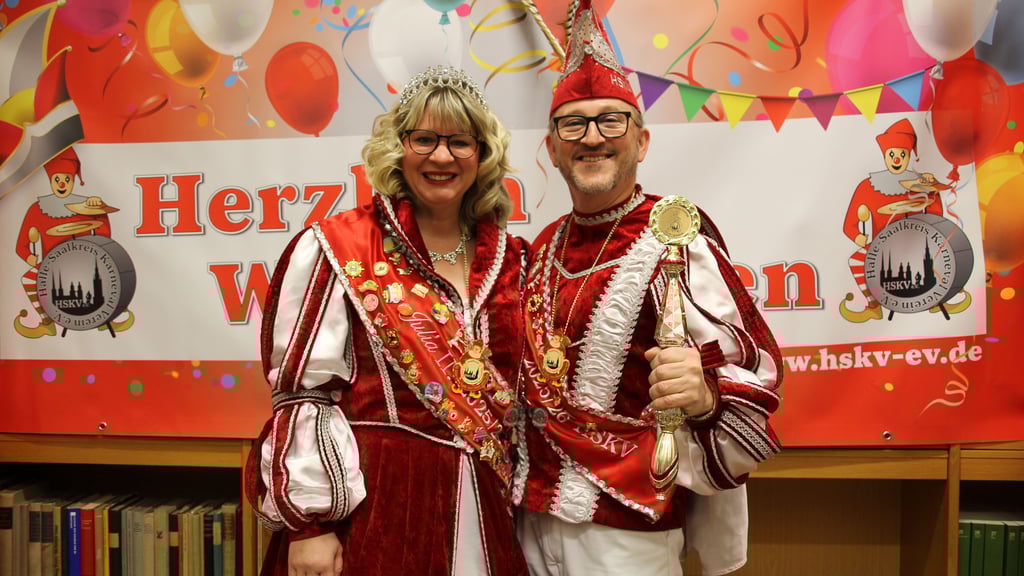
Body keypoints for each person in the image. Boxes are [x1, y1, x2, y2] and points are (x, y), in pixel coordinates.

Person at [516, 2, 783, 575]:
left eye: (611, 121)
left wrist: (705, 392)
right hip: (530, 520)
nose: (592, 137)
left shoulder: (676, 240)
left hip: (628, 531)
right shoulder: (540, 248)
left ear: (641, 142)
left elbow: (755, 366)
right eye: (573, 124)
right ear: (553, 148)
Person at [246, 65, 530, 576]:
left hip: (491, 503)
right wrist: (311, 528)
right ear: (398, 148)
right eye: (424, 139)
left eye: (460, 142)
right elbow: (304, 394)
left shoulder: (515, 259)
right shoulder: (339, 247)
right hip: (380, 510)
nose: (441, 157)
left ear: (482, 154)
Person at [840, 118, 957, 323]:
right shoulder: (868, 186)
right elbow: (850, 223)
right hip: (882, 249)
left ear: (909, 156)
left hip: (915, 244)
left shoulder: (920, 183)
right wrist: (858, 236)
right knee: (856, 260)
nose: (896, 159)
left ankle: (936, 299)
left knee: (938, 254)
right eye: (892, 154)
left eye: (902, 154)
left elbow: (937, 216)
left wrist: (931, 193)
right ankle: (874, 305)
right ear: (885, 156)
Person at [14, 146, 119, 338]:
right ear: (51, 181)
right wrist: (29, 257)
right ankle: (47, 322)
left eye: (67, 179)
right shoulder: (37, 209)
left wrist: (100, 209)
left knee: (105, 275)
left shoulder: (86, 205)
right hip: (51, 269)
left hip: (85, 263)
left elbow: (104, 236)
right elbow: (21, 245)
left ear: (73, 181)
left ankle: (106, 318)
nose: (62, 184)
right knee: (28, 278)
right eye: (57, 180)